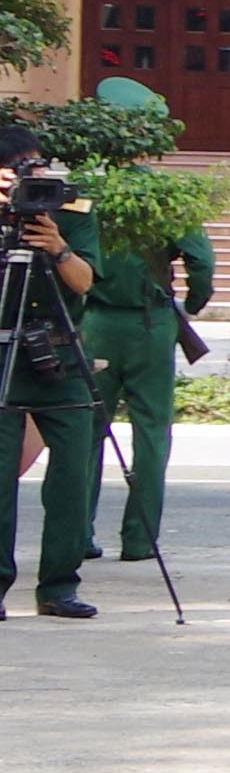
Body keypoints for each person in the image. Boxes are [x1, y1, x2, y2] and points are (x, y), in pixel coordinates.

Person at [71, 78, 208, 591]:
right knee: (151, 435)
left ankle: (77, 534)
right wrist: (189, 305)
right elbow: (202, 261)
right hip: (151, 326)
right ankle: (140, 537)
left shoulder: (85, 189)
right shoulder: (167, 195)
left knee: (84, 433)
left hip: (96, 323)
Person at [0, 116, 103, 618]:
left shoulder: (70, 208)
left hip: (60, 356)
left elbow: (84, 283)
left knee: (72, 474)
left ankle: (59, 585)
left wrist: (57, 245)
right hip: (2, 354)